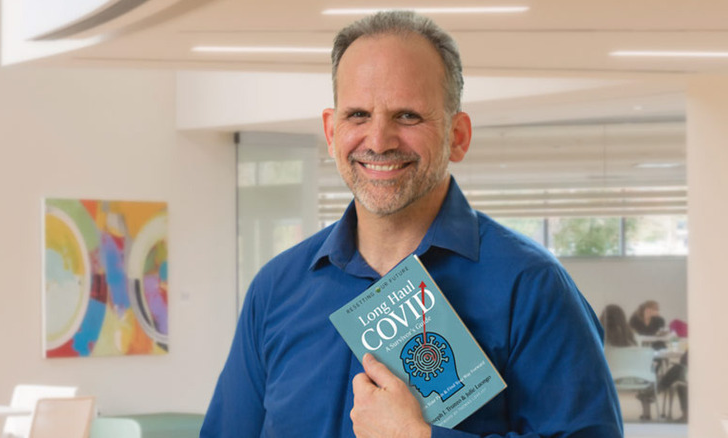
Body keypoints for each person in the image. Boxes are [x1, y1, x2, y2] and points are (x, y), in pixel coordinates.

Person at [201, 10, 622, 438]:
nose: (379, 141)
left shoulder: (531, 287)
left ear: (457, 136)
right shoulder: (276, 289)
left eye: (408, 116)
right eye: (358, 115)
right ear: (331, 132)